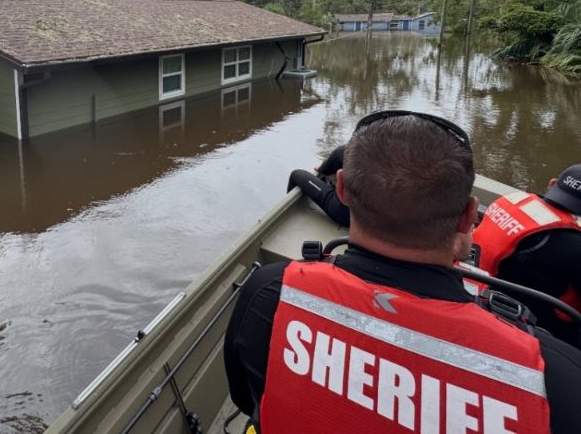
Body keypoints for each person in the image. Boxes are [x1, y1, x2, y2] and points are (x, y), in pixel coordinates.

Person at [224, 110, 581, 434]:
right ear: (468, 215)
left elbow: (244, 399)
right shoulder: (557, 380)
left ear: (344, 189)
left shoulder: (268, 291)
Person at [473, 163, 581, 347]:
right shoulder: (569, 244)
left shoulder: (510, 201)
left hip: (481, 295)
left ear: (553, 183)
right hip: (539, 330)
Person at [286, 144, 350, 227]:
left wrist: (321, 168)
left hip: (347, 216)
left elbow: (326, 168)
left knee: (297, 174)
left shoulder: (351, 149)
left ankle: (287, 217)